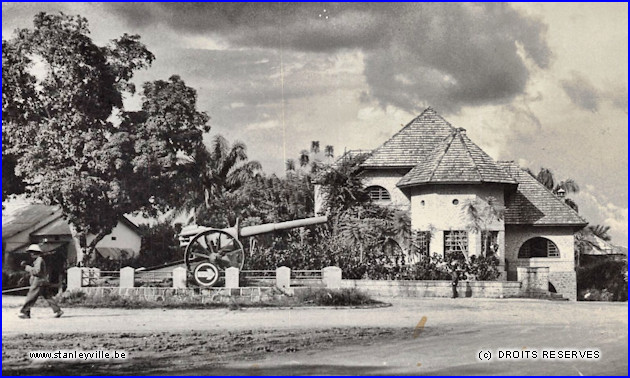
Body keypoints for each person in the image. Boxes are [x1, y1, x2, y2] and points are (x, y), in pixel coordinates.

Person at [19, 244, 63, 319]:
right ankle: (58, 310)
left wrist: (27, 267)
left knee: (31, 296)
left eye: (32, 252)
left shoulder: (39, 260)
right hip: (42, 281)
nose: (31, 254)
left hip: (38, 281)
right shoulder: (37, 260)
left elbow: (37, 272)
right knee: (47, 296)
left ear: (36, 252)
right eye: (30, 252)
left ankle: (25, 312)